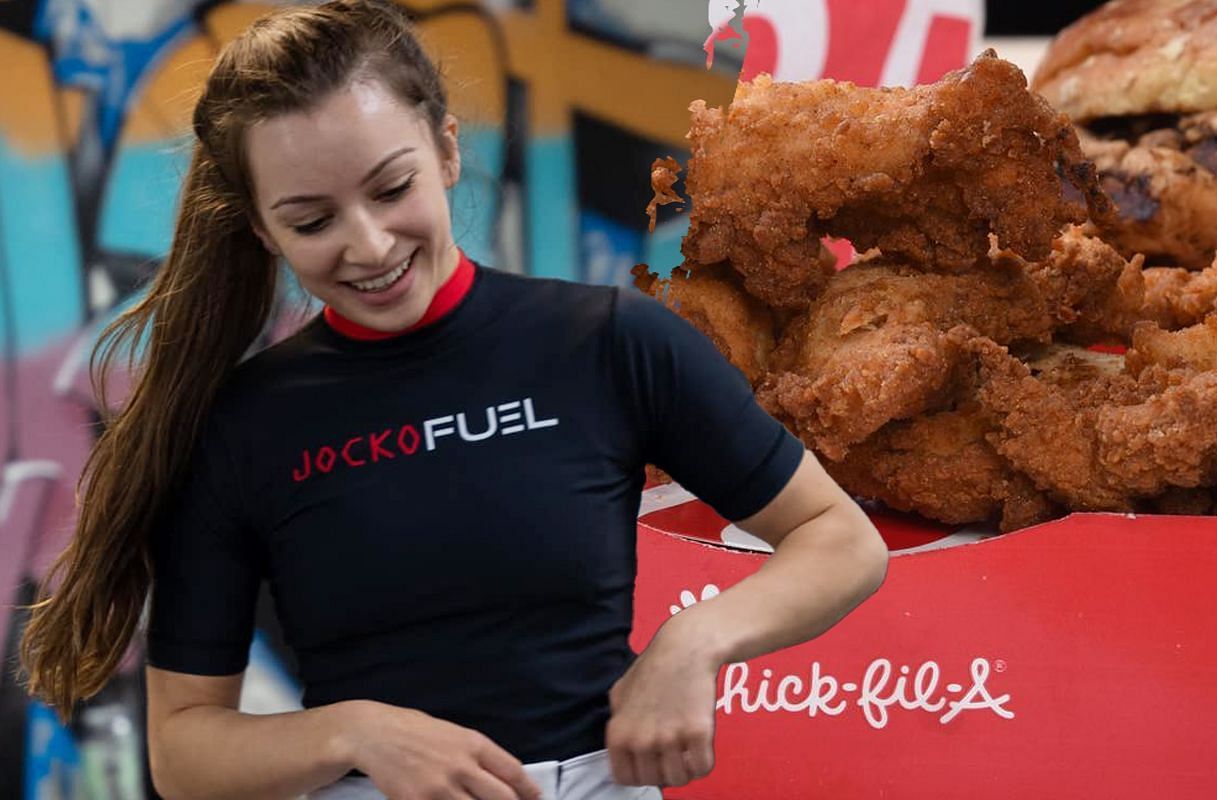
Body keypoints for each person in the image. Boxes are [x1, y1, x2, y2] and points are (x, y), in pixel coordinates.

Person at [19, 2, 889, 798]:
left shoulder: (611, 344)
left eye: (391, 188)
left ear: (445, 147)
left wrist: (692, 643)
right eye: (311, 221)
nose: (367, 245)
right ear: (260, 228)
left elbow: (840, 542)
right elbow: (182, 754)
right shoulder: (243, 427)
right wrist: (354, 732)